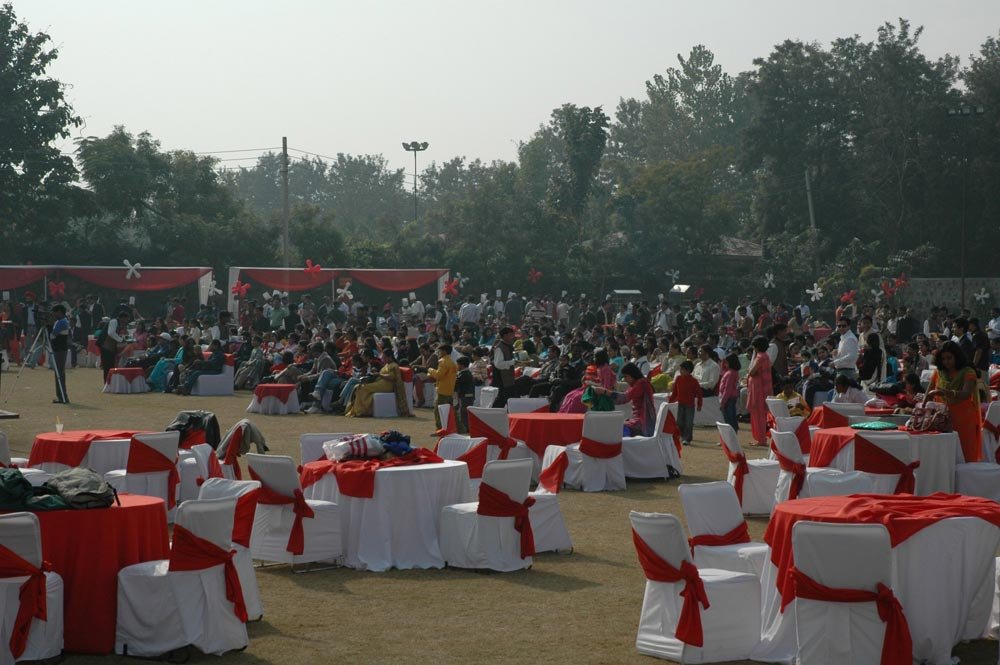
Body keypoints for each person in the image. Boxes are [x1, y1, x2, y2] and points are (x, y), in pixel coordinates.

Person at [928, 340, 982, 463]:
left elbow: (966, 393)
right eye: (943, 359)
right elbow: (929, 392)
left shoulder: (968, 372)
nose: (946, 362)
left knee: (965, 452)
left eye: (949, 358)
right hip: (942, 419)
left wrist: (945, 392)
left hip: (963, 418)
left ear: (957, 357)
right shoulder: (939, 372)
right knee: (945, 454)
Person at [346, 349, 411, 417]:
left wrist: (379, 375)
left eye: (384, 357)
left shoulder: (394, 365)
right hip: (381, 382)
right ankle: (359, 410)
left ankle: (361, 411)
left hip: (387, 385)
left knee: (363, 388)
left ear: (390, 357)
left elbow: (393, 377)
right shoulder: (387, 365)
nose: (383, 359)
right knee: (359, 386)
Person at [602, 362, 655, 436]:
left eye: (626, 376)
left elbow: (624, 398)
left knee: (618, 429)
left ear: (632, 374)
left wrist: (605, 392)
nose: (625, 379)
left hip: (644, 423)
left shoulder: (641, 383)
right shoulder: (637, 384)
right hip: (639, 420)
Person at [746, 335, 772, 447]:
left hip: (758, 388)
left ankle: (761, 439)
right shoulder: (765, 356)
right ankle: (760, 438)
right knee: (760, 414)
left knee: (758, 414)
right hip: (762, 387)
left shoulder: (760, 357)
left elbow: (752, 372)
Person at [668, 360, 702, 445]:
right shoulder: (678, 379)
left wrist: (699, 404)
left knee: (689, 422)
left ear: (688, 370)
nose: (680, 371)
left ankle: (687, 438)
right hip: (680, 404)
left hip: (690, 405)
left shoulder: (694, 381)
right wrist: (670, 401)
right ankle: (682, 436)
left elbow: (699, 394)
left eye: (682, 369)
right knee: (680, 421)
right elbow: (675, 392)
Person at [428, 344, 456, 428]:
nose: (439, 352)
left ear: (445, 351)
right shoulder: (452, 362)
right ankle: (458, 429)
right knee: (450, 411)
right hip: (450, 390)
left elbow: (439, 375)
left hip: (442, 390)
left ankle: (440, 429)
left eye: (440, 351)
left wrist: (430, 370)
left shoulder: (443, 361)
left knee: (438, 411)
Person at [490, 326, 518, 407]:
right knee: (503, 397)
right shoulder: (500, 347)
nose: (513, 337)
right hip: (502, 377)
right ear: (505, 336)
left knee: (506, 397)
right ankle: (493, 412)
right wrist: (512, 362)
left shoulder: (508, 345)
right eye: (511, 335)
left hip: (508, 377)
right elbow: (498, 364)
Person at [49, 304, 70, 404]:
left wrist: (49, 326)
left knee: (59, 374)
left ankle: (63, 397)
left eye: (54, 312)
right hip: (59, 349)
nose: (53, 314)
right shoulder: (62, 321)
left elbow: (53, 335)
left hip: (60, 350)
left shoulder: (62, 322)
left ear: (59, 312)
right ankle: (61, 396)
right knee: (59, 373)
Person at [100, 310, 129, 382]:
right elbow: (111, 333)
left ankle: (110, 382)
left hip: (111, 347)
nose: (127, 321)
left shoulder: (119, 324)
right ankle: (107, 383)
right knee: (107, 366)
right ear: (122, 318)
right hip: (106, 346)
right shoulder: (114, 321)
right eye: (126, 319)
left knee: (111, 366)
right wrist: (120, 339)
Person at [718, 354, 741, 432]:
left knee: (728, 418)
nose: (724, 364)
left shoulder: (730, 373)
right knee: (732, 416)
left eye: (726, 363)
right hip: (731, 397)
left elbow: (728, 389)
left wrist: (723, 402)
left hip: (728, 398)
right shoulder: (733, 372)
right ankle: (733, 432)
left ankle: (730, 433)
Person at [454, 356, 476, 434]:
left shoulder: (464, 374)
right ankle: (465, 428)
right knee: (463, 412)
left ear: (462, 365)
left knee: (464, 413)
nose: (457, 366)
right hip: (466, 396)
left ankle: (465, 428)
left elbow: (456, 384)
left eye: (457, 364)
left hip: (466, 397)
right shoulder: (466, 373)